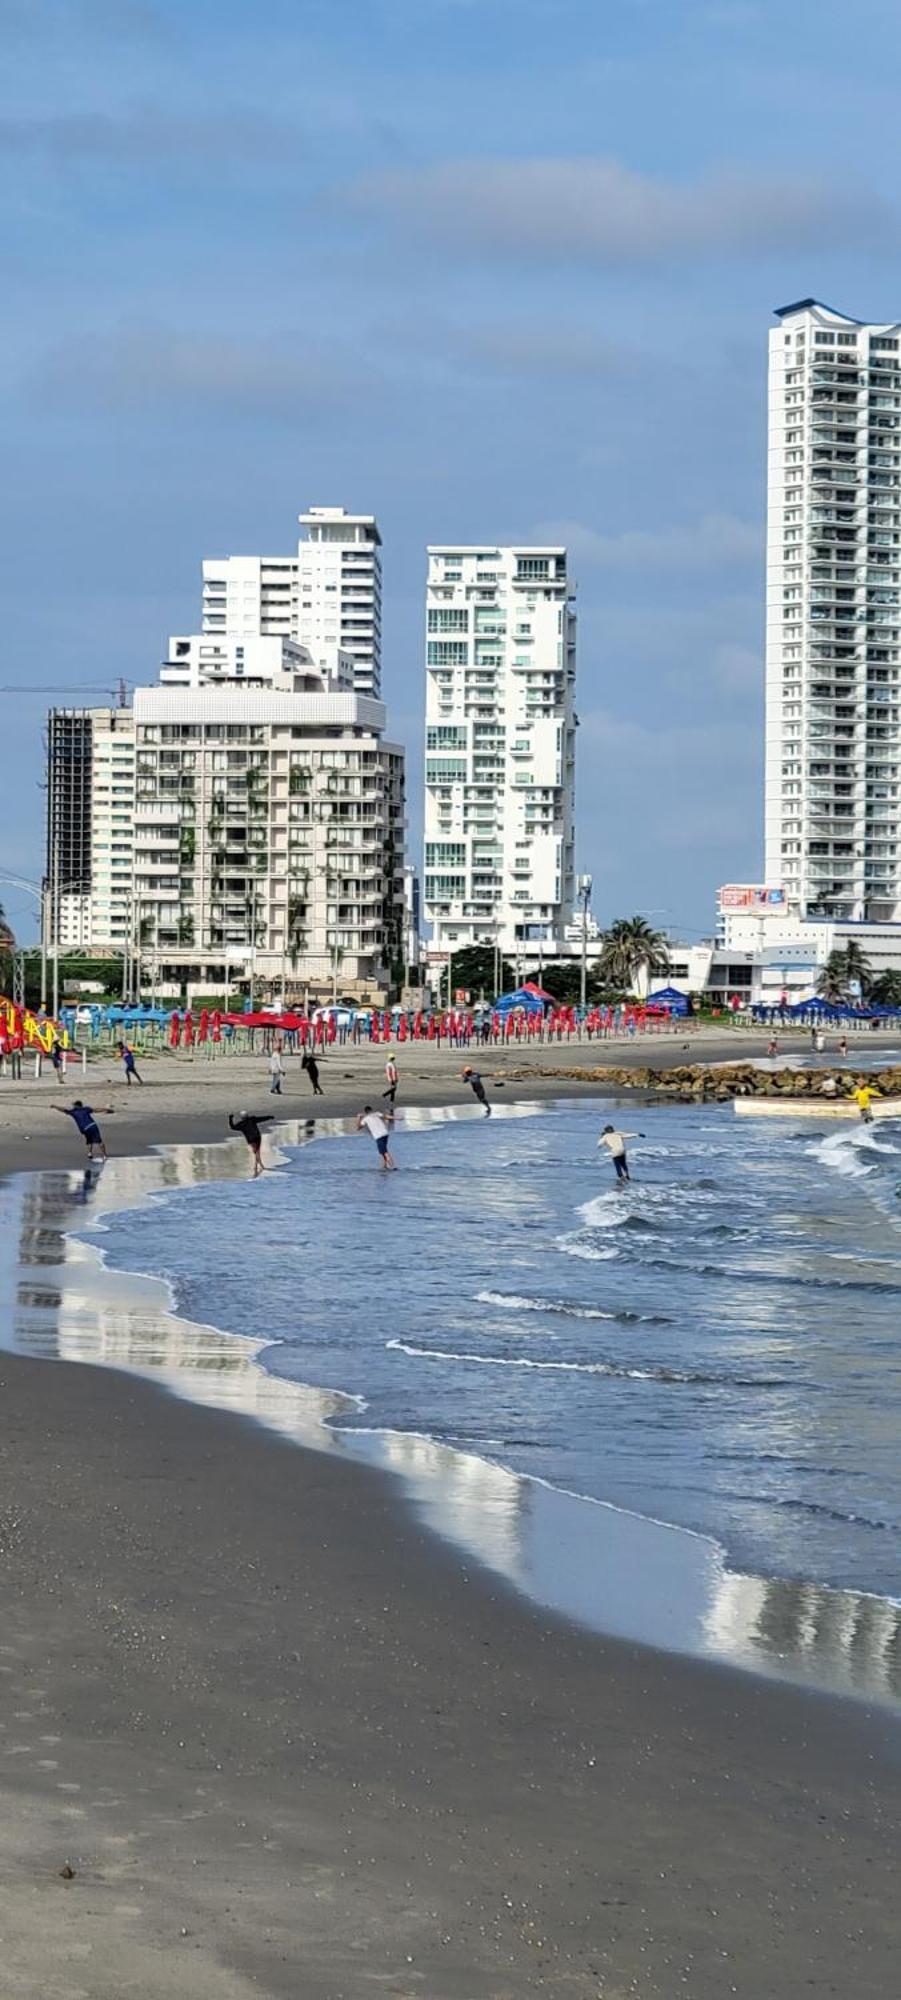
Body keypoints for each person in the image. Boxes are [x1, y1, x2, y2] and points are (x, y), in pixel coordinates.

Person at [228, 1110, 273, 1176]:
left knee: (255, 1152)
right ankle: (258, 1165)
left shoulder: (241, 1124)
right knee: (257, 1151)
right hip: (257, 1136)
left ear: (241, 1117)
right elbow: (261, 1119)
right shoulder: (252, 1119)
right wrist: (269, 1117)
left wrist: (230, 1118)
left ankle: (258, 1166)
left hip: (250, 1139)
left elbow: (233, 1127)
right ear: (247, 1115)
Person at [357, 1104, 397, 1170]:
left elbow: (358, 1128)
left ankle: (393, 1167)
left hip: (379, 1136)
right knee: (382, 1152)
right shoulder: (377, 1113)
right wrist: (396, 1118)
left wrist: (359, 1118)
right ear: (371, 1110)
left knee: (385, 1152)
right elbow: (386, 1116)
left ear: (365, 1112)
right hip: (385, 1134)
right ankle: (385, 1166)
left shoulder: (365, 1119)